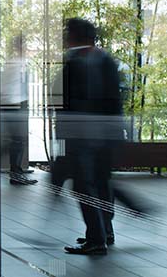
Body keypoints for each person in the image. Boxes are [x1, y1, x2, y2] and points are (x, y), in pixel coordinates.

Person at [56, 18, 124, 256]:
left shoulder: (76, 62)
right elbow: (115, 102)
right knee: (102, 184)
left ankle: (96, 239)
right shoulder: (105, 60)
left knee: (84, 186)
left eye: (67, 33)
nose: (65, 38)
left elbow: (66, 105)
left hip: (83, 138)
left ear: (75, 37)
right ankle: (105, 231)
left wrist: (63, 140)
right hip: (103, 137)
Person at [1, 35, 37, 185]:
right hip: (15, 104)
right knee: (18, 140)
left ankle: (16, 171)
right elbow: (12, 86)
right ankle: (15, 174)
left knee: (18, 140)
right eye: (25, 45)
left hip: (14, 104)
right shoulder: (16, 62)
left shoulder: (14, 62)